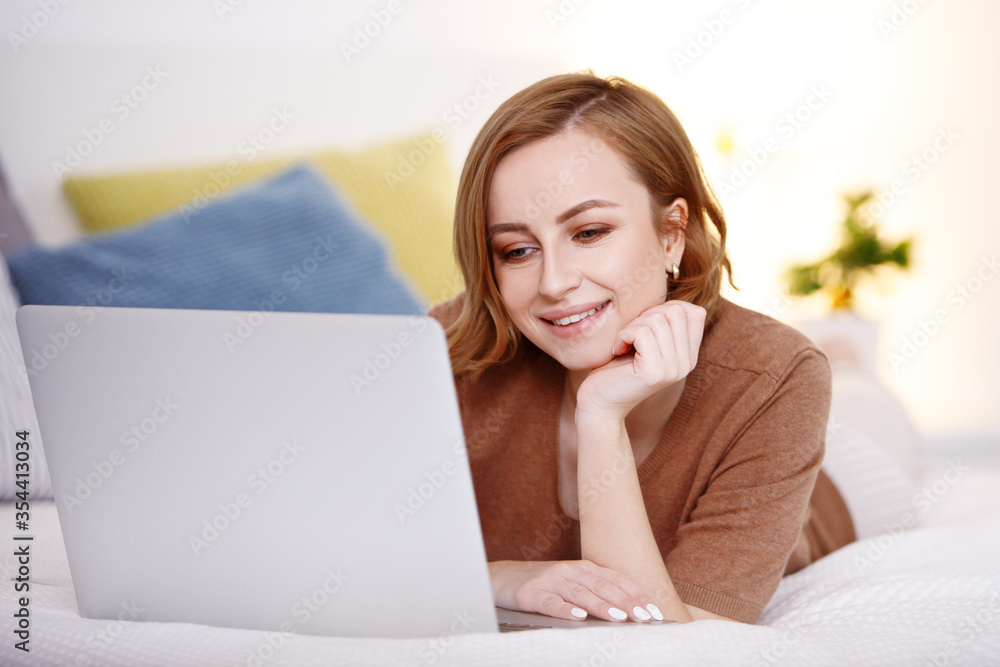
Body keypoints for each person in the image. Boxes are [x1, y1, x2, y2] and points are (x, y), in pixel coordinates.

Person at [429, 72, 855, 625]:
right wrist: (499, 576)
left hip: (826, 501)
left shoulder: (779, 375)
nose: (554, 282)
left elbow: (658, 650)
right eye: (515, 250)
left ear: (671, 232)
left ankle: (854, 372)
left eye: (588, 233)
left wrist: (601, 415)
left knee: (867, 417)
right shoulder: (445, 349)